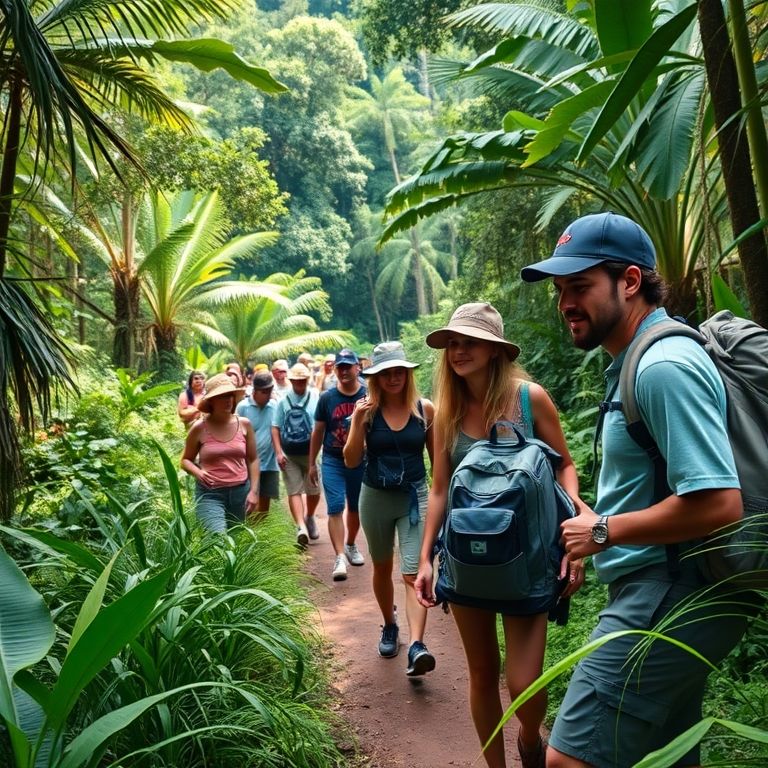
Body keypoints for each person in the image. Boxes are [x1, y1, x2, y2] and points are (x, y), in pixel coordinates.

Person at [520, 212, 761, 768]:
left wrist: (605, 530)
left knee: (568, 758)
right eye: (560, 291)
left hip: (675, 586)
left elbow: (719, 502)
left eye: (580, 286)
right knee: (665, 755)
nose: (565, 304)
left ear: (630, 282)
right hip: (667, 584)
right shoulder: (635, 361)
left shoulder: (663, 366)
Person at [414, 303, 583, 768]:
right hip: (467, 559)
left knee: (523, 682)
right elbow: (440, 489)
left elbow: (563, 463)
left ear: (494, 350)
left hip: (529, 558)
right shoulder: (446, 413)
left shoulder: (530, 399)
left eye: (469, 341)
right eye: (452, 343)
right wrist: (427, 557)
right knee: (482, 674)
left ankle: (530, 738)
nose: (459, 350)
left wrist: (571, 533)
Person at [344, 342, 436, 675]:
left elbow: (438, 466)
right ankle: (389, 624)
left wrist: (447, 506)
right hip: (375, 497)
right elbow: (351, 460)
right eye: (386, 373)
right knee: (381, 568)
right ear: (376, 378)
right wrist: (357, 422)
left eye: (399, 371)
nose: (394, 378)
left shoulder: (425, 410)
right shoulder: (366, 412)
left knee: (413, 573)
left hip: (415, 498)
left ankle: (417, 646)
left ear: (407, 374)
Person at [309, 348, 367, 581]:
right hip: (332, 458)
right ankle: (339, 556)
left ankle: (351, 544)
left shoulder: (368, 394)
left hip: (360, 460)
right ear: (335, 370)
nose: (344, 371)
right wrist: (312, 462)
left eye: (348, 366)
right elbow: (318, 431)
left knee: (355, 507)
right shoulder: (327, 398)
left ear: (357, 368)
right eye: (340, 367)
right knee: (334, 506)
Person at [181, 373, 260, 532]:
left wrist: (253, 491)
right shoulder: (199, 427)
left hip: (240, 492)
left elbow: (253, 459)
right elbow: (185, 460)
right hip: (210, 494)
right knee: (217, 539)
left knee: (236, 543)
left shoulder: (244, 424)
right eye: (222, 396)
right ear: (211, 401)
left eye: (230, 395)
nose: (228, 400)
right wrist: (199, 473)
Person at [272, 363, 322, 546]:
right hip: (290, 454)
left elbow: (320, 426)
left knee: (314, 490)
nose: (299, 384)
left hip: (312, 453)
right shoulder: (283, 401)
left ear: (307, 380)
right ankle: (301, 527)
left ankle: (309, 517)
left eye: (303, 380)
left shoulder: (316, 397)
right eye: (296, 381)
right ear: (291, 380)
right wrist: (278, 452)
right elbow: (275, 426)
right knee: (294, 490)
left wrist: (313, 461)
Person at [236, 371, 279, 518]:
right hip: (249, 464)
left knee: (264, 508)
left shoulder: (274, 406)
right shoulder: (243, 407)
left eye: (270, 391)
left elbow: (277, 430)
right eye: (264, 392)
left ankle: (262, 537)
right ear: (255, 391)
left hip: (269, 463)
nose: (268, 395)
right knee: (249, 505)